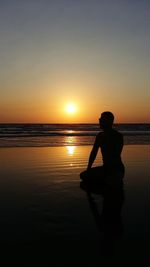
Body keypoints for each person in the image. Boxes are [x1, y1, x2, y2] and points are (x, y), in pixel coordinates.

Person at [80, 111, 125, 188]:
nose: (99, 120)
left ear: (108, 121)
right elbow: (94, 152)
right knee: (83, 175)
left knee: (110, 184)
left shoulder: (117, 136)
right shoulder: (100, 136)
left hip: (117, 169)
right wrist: (88, 169)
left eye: (101, 119)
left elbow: (115, 156)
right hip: (106, 168)